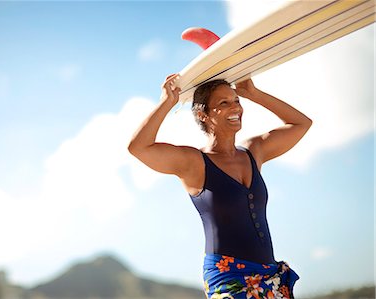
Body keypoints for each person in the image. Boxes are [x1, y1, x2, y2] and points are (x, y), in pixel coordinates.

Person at [128, 73, 312, 299]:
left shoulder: (254, 151)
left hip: (269, 276)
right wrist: (167, 102)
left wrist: (253, 94)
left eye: (236, 101)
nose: (235, 108)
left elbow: (302, 123)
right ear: (202, 114)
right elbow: (139, 147)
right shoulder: (194, 163)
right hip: (228, 278)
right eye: (224, 103)